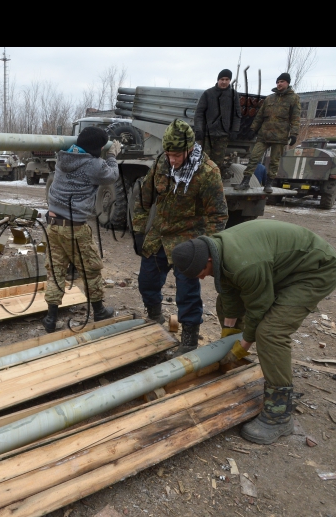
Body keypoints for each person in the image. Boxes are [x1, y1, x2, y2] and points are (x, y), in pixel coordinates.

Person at [171, 220, 336, 444]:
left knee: (270, 332)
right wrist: (229, 333)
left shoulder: (245, 265)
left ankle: (279, 414)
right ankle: (244, 359)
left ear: (209, 260)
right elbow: (230, 292)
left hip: (314, 271)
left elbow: (259, 308)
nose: (201, 278)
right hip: (281, 267)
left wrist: (243, 346)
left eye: (201, 272)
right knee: (224, 305)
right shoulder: (220, 251)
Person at [132, 119, 228, 354]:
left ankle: (189, 338)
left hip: (189, 240)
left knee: (187, 292)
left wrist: (208, 249)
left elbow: (218, 216)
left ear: (189, 149)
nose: (172, 160)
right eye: (168, 154)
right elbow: (143, 199)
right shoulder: (161, 164)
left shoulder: (207, 172)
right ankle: (155, 317)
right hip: (159, 236)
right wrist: (138, 230)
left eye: (177, 155)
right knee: (147, 282)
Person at [42, 127, 120, 333]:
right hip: (75, 227)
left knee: (56, 270)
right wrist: (112, 155)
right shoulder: (94, 165)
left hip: (53, 224)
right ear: (98, 148)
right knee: (91, 268)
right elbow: (112, 176)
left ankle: (50, 318)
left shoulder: (62, 157)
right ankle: (99, 310)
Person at [236, 73, 301, 193]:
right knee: (254, 157)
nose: (279, 84)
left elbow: (296, 118)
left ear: (287, 83)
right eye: (278, 82)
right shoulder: (270, 98)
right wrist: (252, 129)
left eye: (282, 81)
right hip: (264, 135)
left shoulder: (294, 98)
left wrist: (294, 134)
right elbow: (259, 116)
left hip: (280, 135)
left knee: (274, 161)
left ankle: (268, 184)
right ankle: (245, 182)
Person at [194, 69, 241, 174]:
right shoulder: (208, 93)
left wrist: (235, 130)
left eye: (227, 79)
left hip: (223, 136)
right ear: (218, 80)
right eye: (222, 79)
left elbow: (237, 115)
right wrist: (199, 130)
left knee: (217, 163)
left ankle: (214, 185)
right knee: (203, 161)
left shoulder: (234, 95)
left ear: (230, 80)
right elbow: (199, 113)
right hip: (207, 135)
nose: (224, 82)